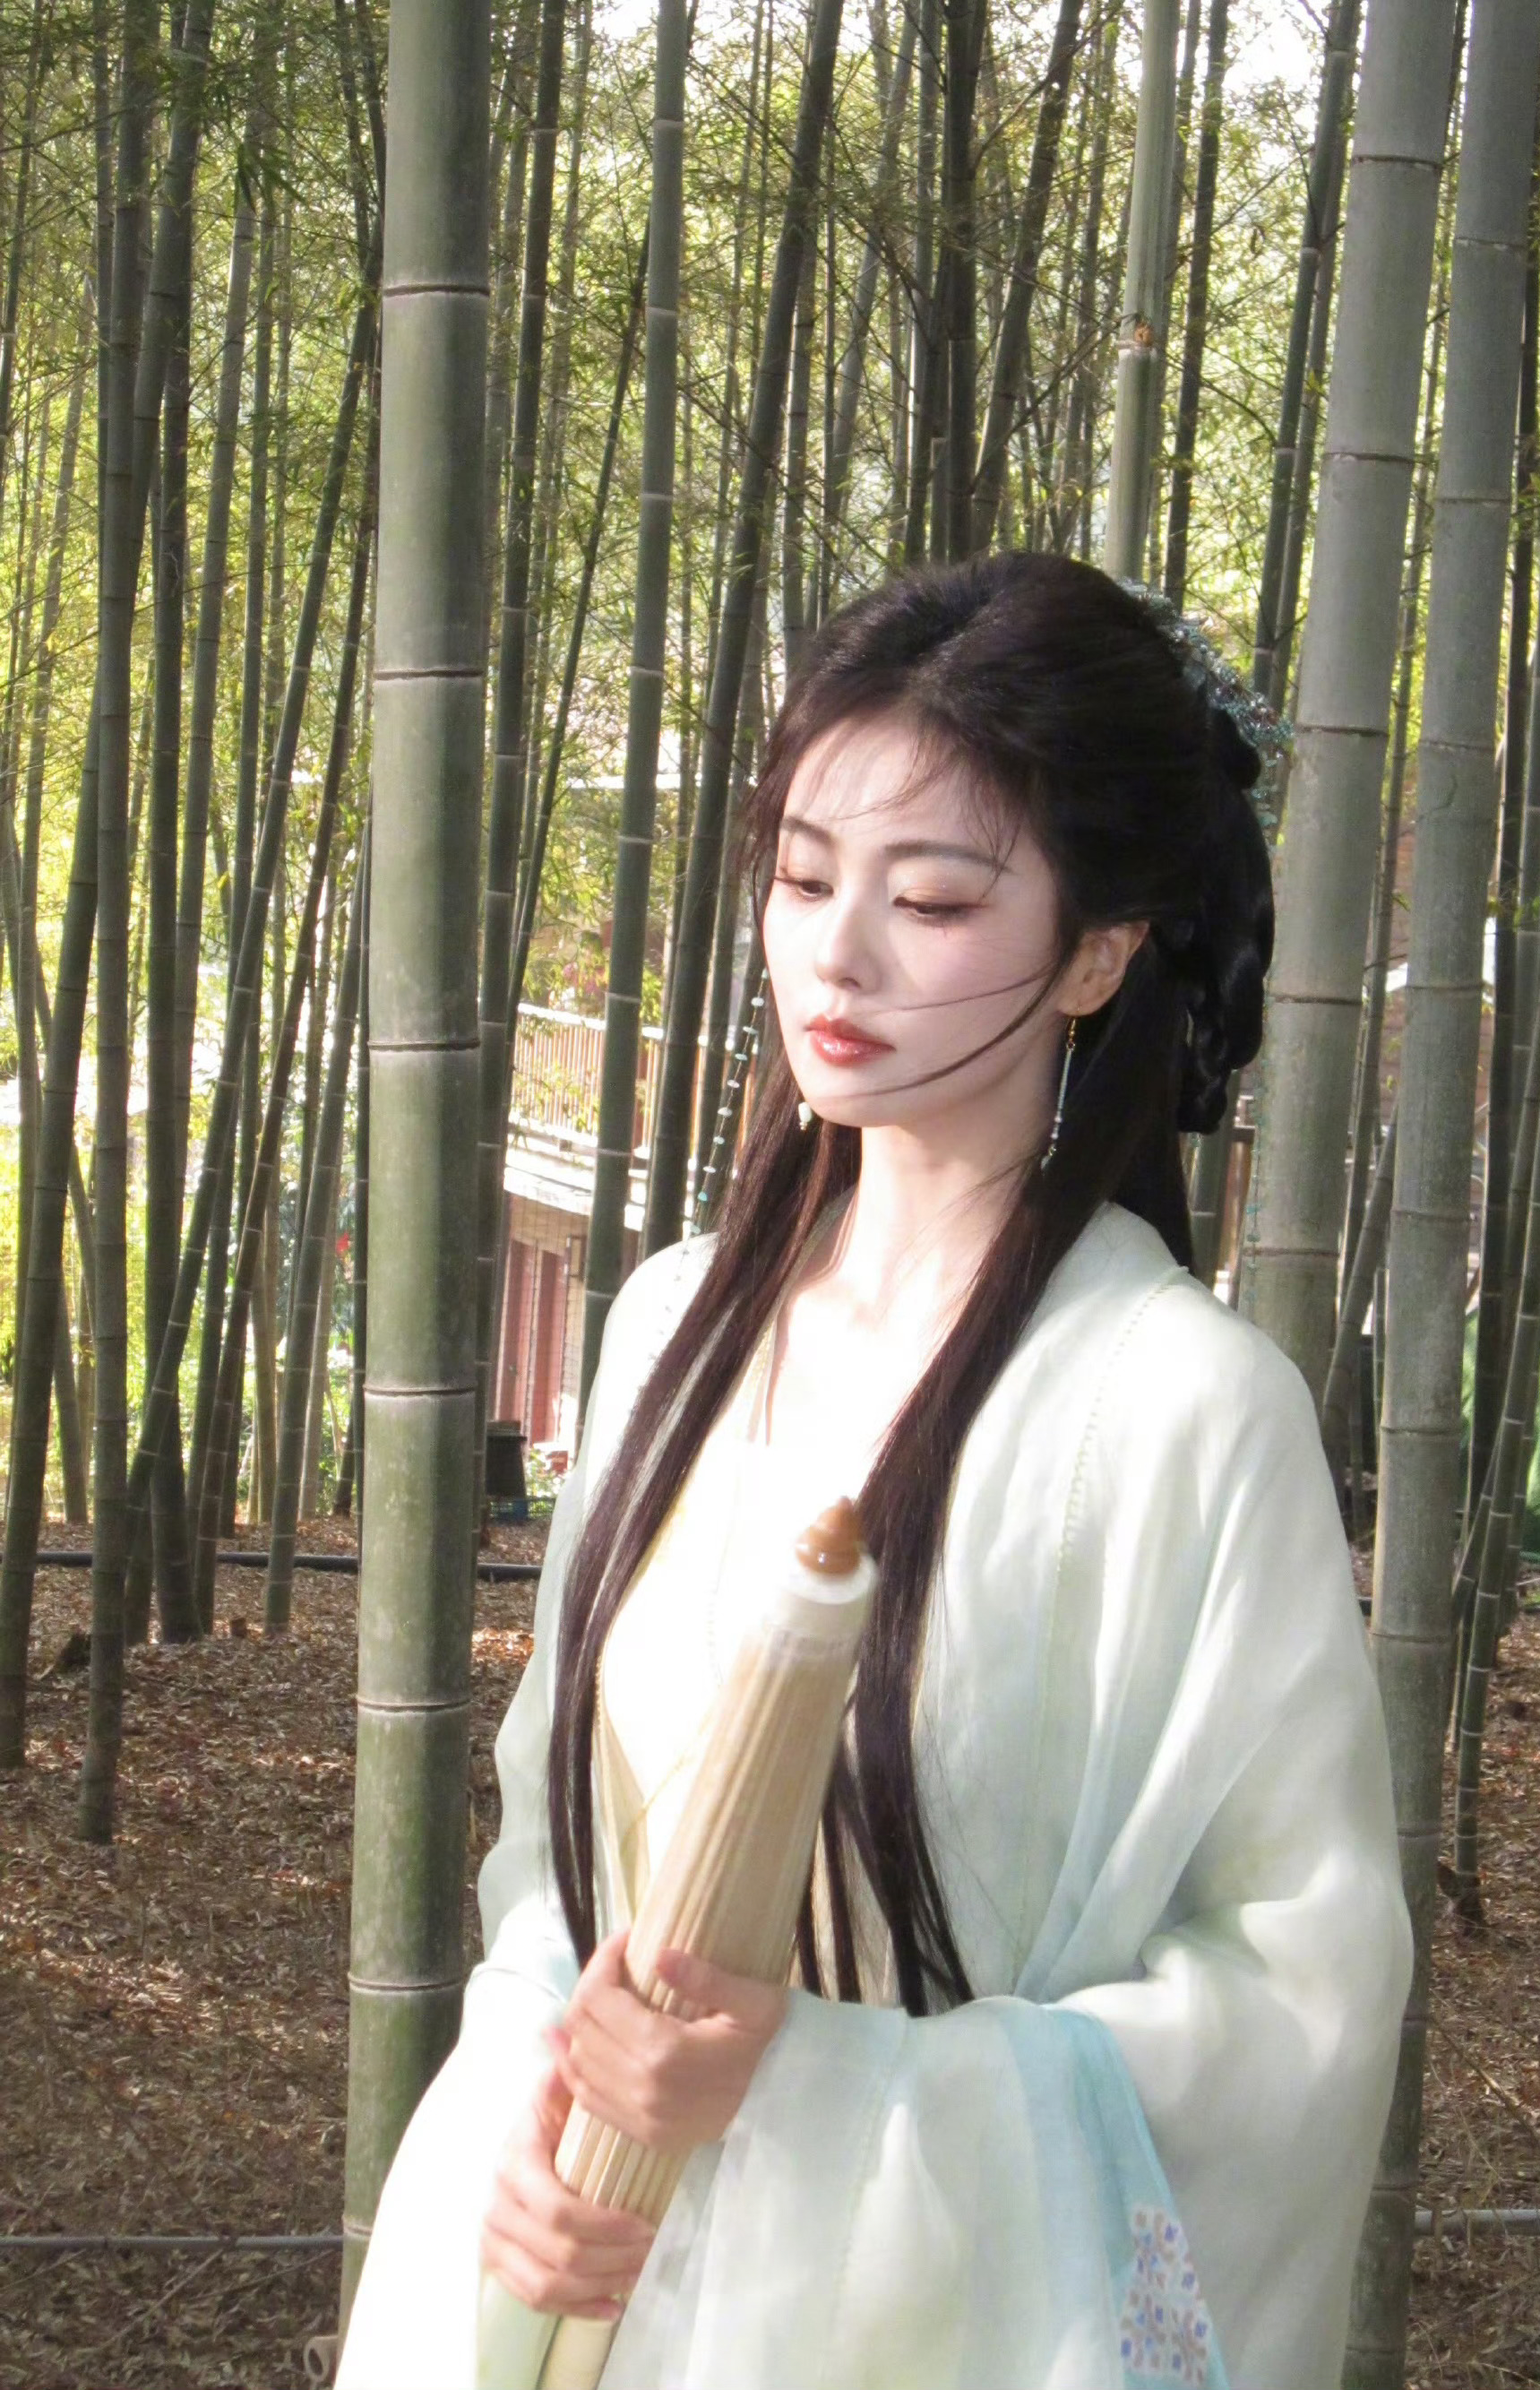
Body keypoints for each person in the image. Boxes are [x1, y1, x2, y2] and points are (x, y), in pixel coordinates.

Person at [336, 551, 1412, 2390]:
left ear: (1098, 951)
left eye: (930, 898)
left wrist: (818, 2080)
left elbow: (1299, 1996)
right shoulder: (671, 1326)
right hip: (585, 2286)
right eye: (802, 875)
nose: (836, 954)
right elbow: (552, 1863)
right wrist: (540, 2104)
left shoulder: (1185, 1411)